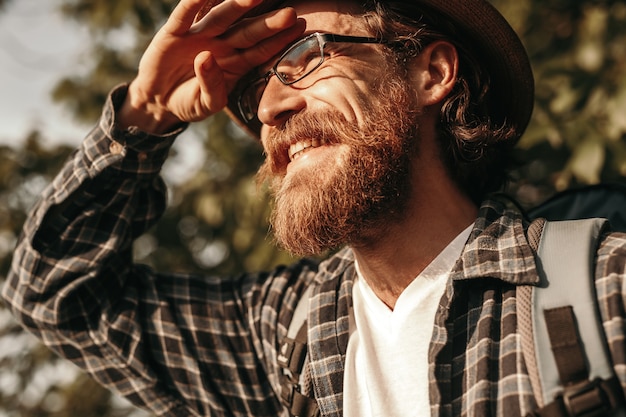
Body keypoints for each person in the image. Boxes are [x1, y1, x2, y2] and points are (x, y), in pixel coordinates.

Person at [2, 0, 625, 416]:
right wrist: (146, 116)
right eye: (254, 90)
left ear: (431, 73)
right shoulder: (282, 336)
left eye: (306, 56)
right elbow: (55, 297)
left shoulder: (605, 289)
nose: (270, 107)